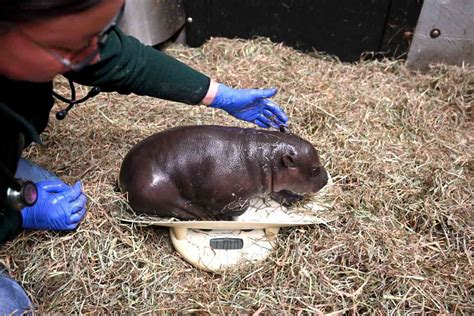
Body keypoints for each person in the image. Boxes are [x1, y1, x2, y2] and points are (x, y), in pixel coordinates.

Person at [0, 0, 288, 313]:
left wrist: (218, 95)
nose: (94, 55)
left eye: (104, 32)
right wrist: (14, 215)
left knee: (44, 188)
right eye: (73, 46)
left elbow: (120, 61)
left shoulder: (39, 40)